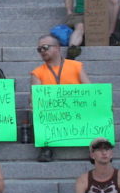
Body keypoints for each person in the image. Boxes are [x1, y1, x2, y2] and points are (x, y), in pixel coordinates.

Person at [31, 34, 90, 162]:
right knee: (38, 109)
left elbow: (90, 90)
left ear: (57, 48)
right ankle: (46, 148)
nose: (42, 51)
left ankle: (96, 148)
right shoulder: (37, 72)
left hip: (76, 109)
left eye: (45, 47)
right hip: (53, 112)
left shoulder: (75, 66)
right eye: (39, 49)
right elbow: (35, 98)